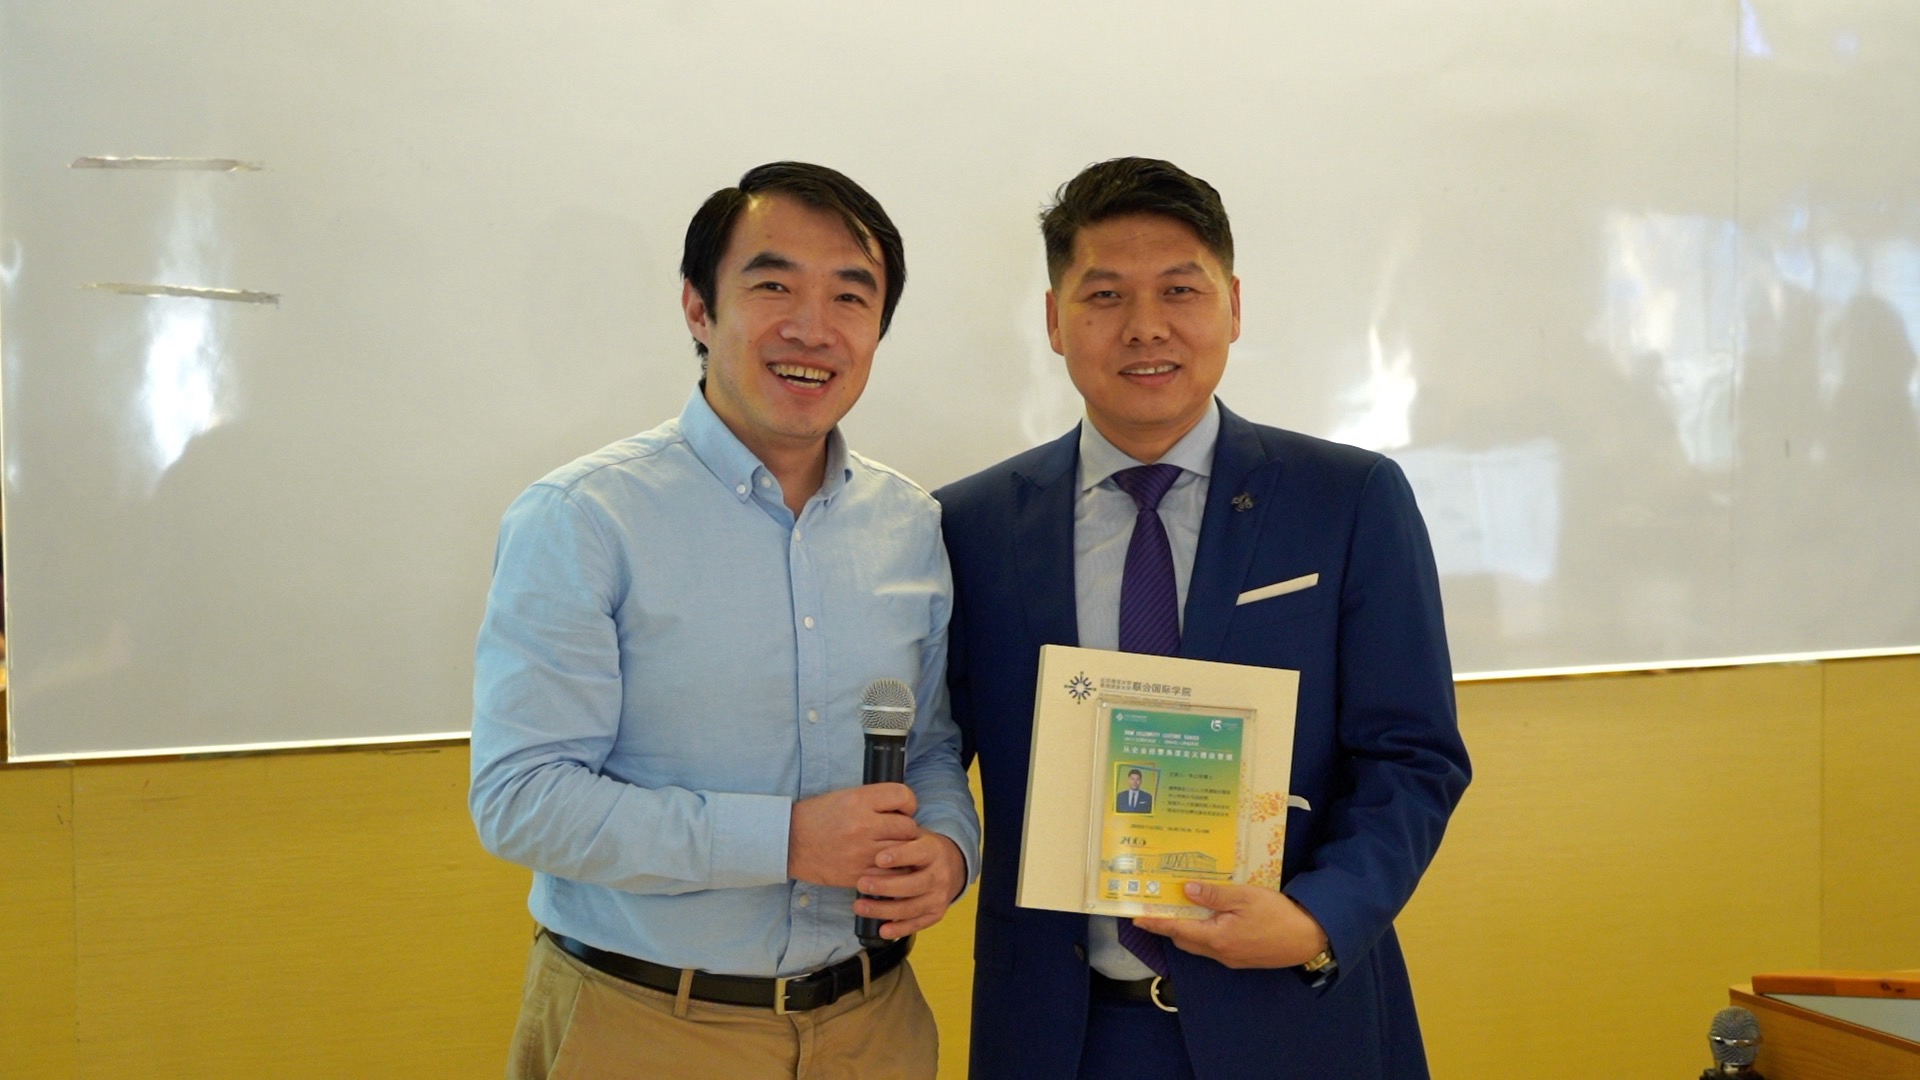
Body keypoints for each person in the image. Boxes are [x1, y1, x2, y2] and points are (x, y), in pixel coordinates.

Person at [936, 157, 1471, 1079]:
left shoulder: (1347, 500)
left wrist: (1318, 917)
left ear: (1233, 305)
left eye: (1180, 290)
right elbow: (940, 752)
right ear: (1056, 320)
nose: (1145, 326)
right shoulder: (970, 524)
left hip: (1294, 1014)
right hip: (1064, 1033)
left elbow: (1413, 754)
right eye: (1105, 294)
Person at [470, 161, 978, 1080]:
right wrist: (785, 839)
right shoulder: (583, 518)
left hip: (875, 1027)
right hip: (645, 1027)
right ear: (699, 310)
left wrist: (948, 848)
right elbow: (522, 800)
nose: (812, 327)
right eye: (773, 285)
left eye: (850, 296)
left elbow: (932, 743)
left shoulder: (911, 525)